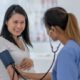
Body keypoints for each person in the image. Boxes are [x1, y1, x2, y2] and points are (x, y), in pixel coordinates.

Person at [18, 7, 80, 80]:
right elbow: (55, 75)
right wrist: (24, 74)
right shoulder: (74, 46)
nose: (47, 33)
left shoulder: (67, 53)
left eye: (46, 28)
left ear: (52, 29)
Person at [0, 4, 34, 80]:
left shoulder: (21, 41)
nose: (19, 26)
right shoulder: (1, 41)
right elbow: (11, 72)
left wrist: (31, 62)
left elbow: (22, 61)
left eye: (22, 22)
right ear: (6, 22)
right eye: (15, 22)